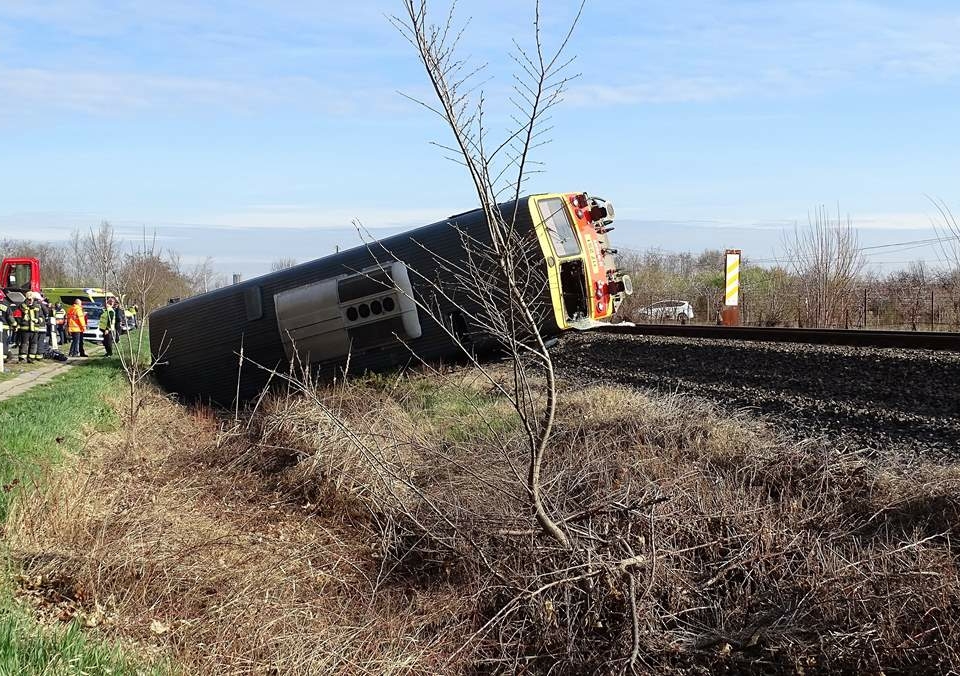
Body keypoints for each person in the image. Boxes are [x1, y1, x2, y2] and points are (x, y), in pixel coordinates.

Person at [16, 292, 47, 363]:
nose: (30, 300)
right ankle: (22, 358)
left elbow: (42, 317)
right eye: (28, 299)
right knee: (24, 343)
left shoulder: (37, 306)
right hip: (25, 329)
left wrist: (38, 320)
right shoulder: (22, 306)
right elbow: (17, 316)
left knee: (34, 344)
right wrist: (22, 321)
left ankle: (31, 358)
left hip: (35, 329)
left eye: (31, 299)